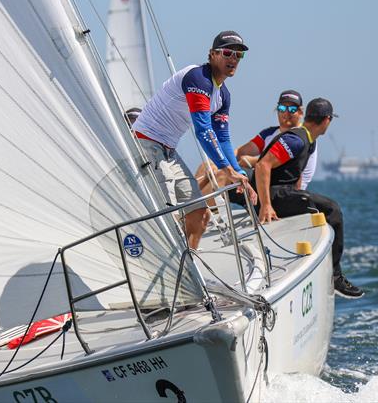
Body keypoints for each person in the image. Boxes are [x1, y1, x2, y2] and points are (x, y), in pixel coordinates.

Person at [132, 31, 255, 249]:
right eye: (227, 53)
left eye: (238, 55)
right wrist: (226, 169)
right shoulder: (197, 78)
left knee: (200, 213)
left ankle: (190, 267)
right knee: (166, 219)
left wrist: (239, 173)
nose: (233, 59)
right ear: (212, 54)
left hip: (168, 151)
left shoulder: (223, 95)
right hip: (146, 145)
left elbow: (222, 136)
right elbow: (203, 130)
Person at [252, 98, 364, 299]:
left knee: (324, 206)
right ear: (327, 120)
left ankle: (332, 270)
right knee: (332, 210)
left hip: (283, 192)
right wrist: (266, 205)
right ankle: (336, 277)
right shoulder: (297, 139)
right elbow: (262, 166)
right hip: (273, 195)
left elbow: (295, 174)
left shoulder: (309, 141)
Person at [195, 89, 318, 197]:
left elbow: (285, 165)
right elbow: (241, 152)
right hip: (260, 179)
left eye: (292, 109)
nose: (286, 113)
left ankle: (201, 215)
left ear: (301, 112)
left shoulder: (300, 137)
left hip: (281, 188)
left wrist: (251, 161)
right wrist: (219, 161)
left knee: (223, 175)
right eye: (282, 108)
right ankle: (189, 207)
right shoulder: (269, 133)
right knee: (209, 165)